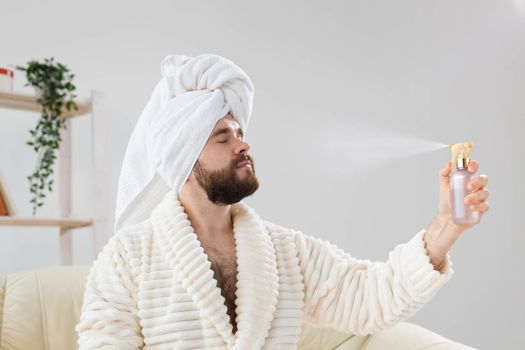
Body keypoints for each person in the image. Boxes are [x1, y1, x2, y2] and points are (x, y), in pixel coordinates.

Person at [75, 54, 490, 349]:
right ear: (184, 160)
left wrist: (446, 227)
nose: (244, 143)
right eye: (224, 136)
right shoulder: (129, 257)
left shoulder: (285, 253)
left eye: (239, 131)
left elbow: (372, 298)